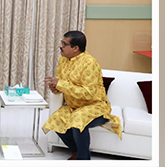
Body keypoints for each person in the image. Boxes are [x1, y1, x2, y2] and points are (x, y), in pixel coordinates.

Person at [41, 31, 121, 160]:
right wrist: (55, 88)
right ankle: (77, 151)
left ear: (75, 48)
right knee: (55, 120)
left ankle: (83, 159)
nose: (60, 46)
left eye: (64, 44)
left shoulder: (89, 63)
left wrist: (61, 84)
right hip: (74, 106)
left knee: (78, 119)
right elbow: (62, 85)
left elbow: (88, 94)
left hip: (95, 106)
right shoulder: (63, 59)